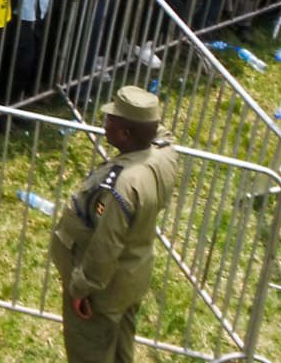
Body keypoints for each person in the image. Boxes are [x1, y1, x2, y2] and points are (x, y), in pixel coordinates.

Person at [49, 86, 183, 363]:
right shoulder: (164, 153)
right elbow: (160, 132)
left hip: (104, 289)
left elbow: (106, 244)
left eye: (111, 119)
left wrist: (82, 288)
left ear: (126, 134)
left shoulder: (122, 185)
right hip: (133, 274)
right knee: (121, 348)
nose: (105, 122)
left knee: (91, 351)